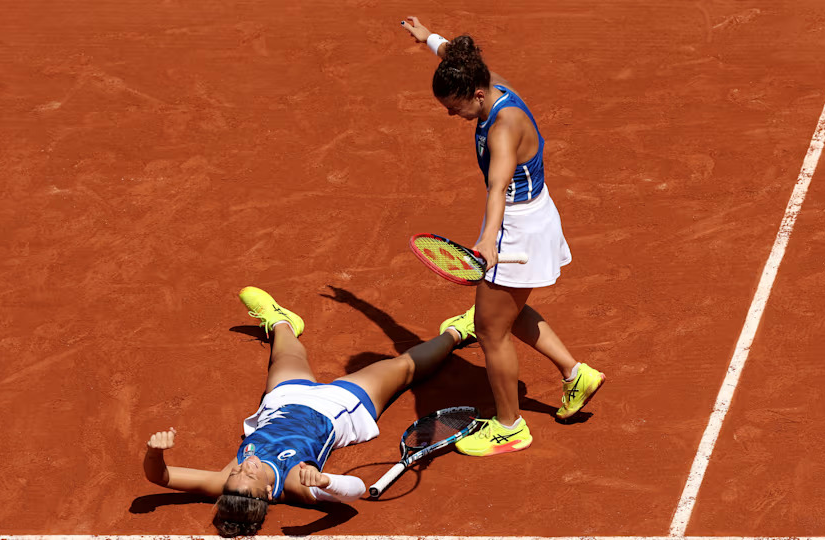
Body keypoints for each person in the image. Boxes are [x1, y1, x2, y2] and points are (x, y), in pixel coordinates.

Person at [400, 17, 606, 457]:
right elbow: (461, 56)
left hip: (516, 228)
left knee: (489, 330)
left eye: (455, 106)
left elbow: (497, 189)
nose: (451, 114)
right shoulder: (491, 83)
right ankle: (575, 374)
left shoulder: (501, 129)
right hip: (536, 214)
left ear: (476, 94)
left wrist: (490, 240)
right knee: (504, 312)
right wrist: (430, 39)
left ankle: (510, 426)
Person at [142, 286, 474, 536]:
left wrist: (154, 452)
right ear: (264, 496)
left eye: (235, 473)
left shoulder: (229, 486)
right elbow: (357, 491)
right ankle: (458, 332)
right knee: (402, 367)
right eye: (250, 476)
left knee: (285, 353)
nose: (243, 469)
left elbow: (161, 477)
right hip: (339, 407)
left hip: (282, 402)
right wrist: (326, 481)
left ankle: (281, 320)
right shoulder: (294, 485)